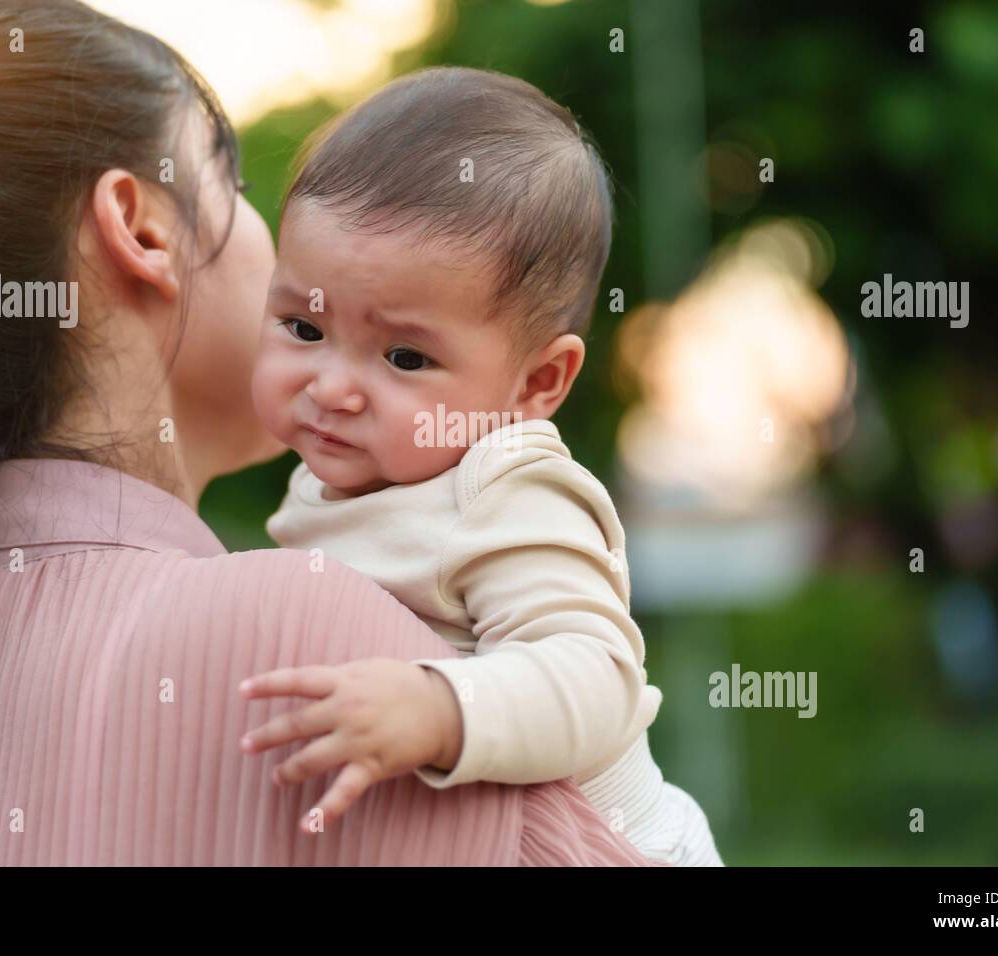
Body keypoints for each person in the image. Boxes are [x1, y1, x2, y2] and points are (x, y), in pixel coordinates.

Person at [0, 0, 650, 866]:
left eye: (403, 353)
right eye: (237, 186)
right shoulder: (302, 627)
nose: (336, 378)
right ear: (140, 231)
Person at [242, 67, 722, 866]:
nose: (331, 386)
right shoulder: (334, 483)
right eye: (302, 327)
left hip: (613, 849)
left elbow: (595, 677)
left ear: (536, 384)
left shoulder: (504, 485)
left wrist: (439, 707)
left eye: (403, 355)